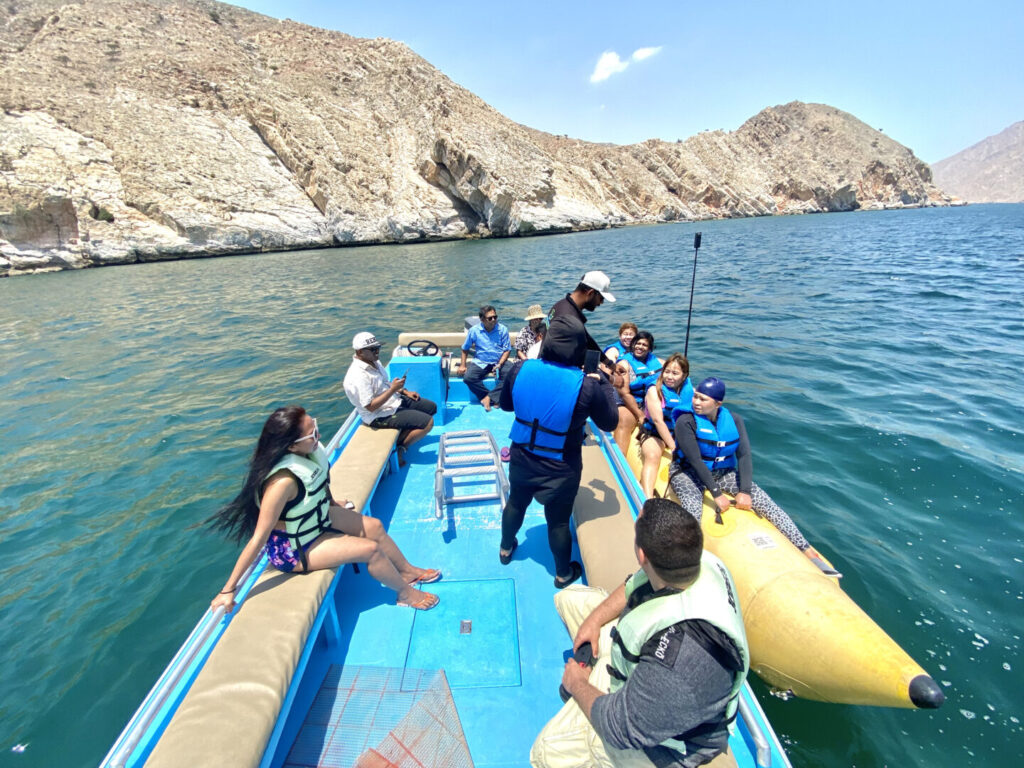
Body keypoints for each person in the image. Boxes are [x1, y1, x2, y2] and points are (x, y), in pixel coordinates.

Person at [530, 497, 749, 768]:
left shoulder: (680, 660)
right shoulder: (689, 560)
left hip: (661, 745)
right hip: (641, 654)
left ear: (642, 554)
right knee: (568, 598)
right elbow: (634, 584)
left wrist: (577, 683)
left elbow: (620, 727)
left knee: (546, 753)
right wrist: (594, 622)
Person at [207, 406, 441, 614]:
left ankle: (407, 571)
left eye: (315, 427)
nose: (317, 436)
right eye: (311, 434)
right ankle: (405, 594)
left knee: (374, 527)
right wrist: (228, 590)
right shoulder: (282, 483)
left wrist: (331, 503)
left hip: (317, 518)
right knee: (371, 550)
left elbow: (319, 482)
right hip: (294, 547)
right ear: (291, 446)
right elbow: (259, 537)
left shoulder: (309, 453)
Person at [669, 377, 840, 577]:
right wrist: (716, 494)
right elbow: (696, 461)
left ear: (718, 404)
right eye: (696, 397)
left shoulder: (734, 420)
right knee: (693, 508)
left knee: (765, 502)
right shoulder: (685, 421)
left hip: (723, 473)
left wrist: (745, 491)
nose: (696, 402)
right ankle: (688, 562)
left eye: (703, 399)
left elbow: (744, 455)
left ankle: (809, 552)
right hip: (687, 472)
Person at [499, 315, 619, 588]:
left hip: (522, 457)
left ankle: (506, 549)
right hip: (560, 467)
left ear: (545, 344)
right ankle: (563, 573)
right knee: (558, 523)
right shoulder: (587, 385)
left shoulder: (519, 369)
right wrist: (604, 383)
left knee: (516, 503)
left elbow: (506, 405)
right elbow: (610, 422)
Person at [342, 331, 437, 466]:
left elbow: (385, 383)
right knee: (428, 423)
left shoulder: (375, 362)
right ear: (360, 352)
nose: (377, 352)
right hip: (378, 415)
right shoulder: (358, 376)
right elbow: (370, 406)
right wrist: (393, 389)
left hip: (394, 401)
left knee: (431, 407)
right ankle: (401, 448)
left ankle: (403, 435)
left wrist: (404, 391)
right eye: (373, 349)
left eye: (378, 348)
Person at [638, 353, 694, 499]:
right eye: (667, 372)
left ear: (684, 375)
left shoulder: (689, 390)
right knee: (652, 455)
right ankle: (647, 499)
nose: (669, 376)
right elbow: (658, 421)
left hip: (679, 433)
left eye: (675, 373)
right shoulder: (654, 391)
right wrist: (673, 447)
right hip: (654, 433)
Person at [547, 270, 616, 365]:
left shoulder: (561, 305)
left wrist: (608, 363)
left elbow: (586, 339)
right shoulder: (569, 320)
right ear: (591, 293)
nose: (601, 303)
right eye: (601, 298)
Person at [613, 331, 662, 456]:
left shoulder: (658, 362)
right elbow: (624, 394)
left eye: (644, 345)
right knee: (624, 420)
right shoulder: (624, 364)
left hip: (650, 400)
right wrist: (640, 415)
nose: (640, 347)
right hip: (627, 402)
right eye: (637, 343)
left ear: (650, 348)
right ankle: (620, 458)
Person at [456, 305, 512, 411]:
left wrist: (499, 364)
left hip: (499, 361)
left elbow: (507, 350)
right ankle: (492, 397)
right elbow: (465, 348)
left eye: (495, 317)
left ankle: (489, 397)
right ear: (482, 319)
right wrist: (463, 365)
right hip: (481, 361)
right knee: (468, 378)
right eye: (490, 318)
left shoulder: (502, 329)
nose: (493, 320)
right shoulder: (474, 330)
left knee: (513, 374)